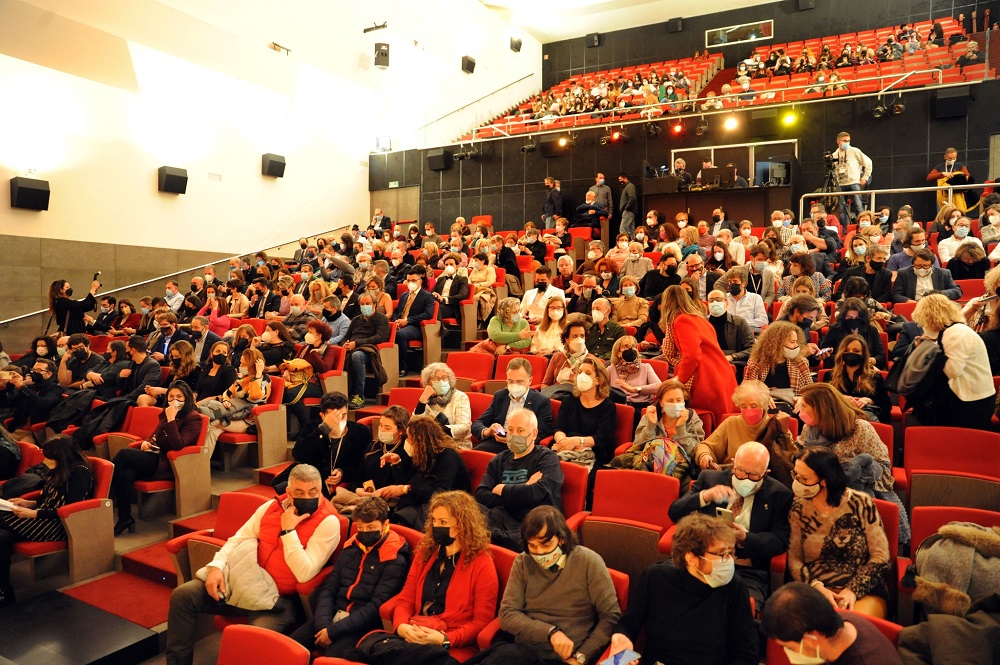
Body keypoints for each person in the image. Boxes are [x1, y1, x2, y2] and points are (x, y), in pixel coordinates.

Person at [165, 464, 341, 665]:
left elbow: (305, 573)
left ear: (321, 491)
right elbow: (239, 538)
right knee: (183, 595)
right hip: (243, 582)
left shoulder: (329, 522)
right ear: (288, 493)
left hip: (278, 601)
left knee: (251, 643)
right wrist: (216, 568)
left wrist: (288, 531)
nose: (307, 497)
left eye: (313, 492)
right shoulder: (270, 507)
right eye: (299, 492)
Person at [607, 513, 759, 665]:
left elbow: (747, 655)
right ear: (691, 558)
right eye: (721, 554)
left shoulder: (734, 586)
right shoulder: (655, 577)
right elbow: (628, 624)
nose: (729, 560)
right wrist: (622, 638)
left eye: (730, 552)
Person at [669, 441, 793, 612]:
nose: (745, 478)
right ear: (734, 463)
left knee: (739, 612)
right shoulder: (709, 479)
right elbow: (674, 512)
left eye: (754, 475)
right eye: (740, 471)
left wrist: (746, 538)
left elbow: (780, 539)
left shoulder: (779, 494)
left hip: (746, 570)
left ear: (766, 473)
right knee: (672, 597)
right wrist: (704, 496)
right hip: (703, 561)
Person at [384, 490, 499, 663]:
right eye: (434, 521)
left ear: (462, 524)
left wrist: (444, 639)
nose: (437, 527)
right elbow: (405, 599)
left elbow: (481, 622)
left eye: (443, 522)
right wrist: (402, 626)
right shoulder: (426, 551)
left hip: (451, 641)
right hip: (415, 631)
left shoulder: (482, 561)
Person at [496, 505, 621, 664]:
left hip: (569, 656)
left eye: (546, 545)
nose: (540, 553)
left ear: (562, 539)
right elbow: (507, 614)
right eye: (532, 546)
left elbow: (610, 616)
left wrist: (581, 656)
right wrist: (550, 632)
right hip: (525, 652)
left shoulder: (588, 561)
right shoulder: (523, 561)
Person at [289, 496, 409, 658]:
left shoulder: (395, 558)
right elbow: (329, 588)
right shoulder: (350, 547)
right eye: (361, 527)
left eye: (371, 527)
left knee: (329, 659)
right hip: (332, 614)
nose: (365, 533)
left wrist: (332, 632)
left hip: (362, 625)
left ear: (385, 525)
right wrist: (323, 625)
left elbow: (376, 606)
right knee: (290, 646)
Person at [788, 448, 890, 618]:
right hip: (815, 588)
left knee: (852, 625)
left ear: (825, 481)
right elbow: (795, 559)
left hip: (861, 589)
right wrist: (817, 587)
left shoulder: (861, 503)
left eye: (804, 479)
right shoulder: (799, 507)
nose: (797, 482)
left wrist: (853, 590)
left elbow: (881, 556)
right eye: (795, 475)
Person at [0, 435, 94, 606]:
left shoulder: (80, 472)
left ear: (61, 456)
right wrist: (30, 503)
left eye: (48, 456)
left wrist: (34, 514)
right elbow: (48, 499)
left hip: (58, 524)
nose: (44, 459)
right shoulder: (57, 469)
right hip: (41, 516)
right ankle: (4, 591)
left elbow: (70, 510)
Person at [111, 381, 203, 535]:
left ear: (186, 398)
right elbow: (156, 434)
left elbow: (178, 445)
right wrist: (147, 442)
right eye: (171, 396)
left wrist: (171, 419)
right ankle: (124, 518)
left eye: (179, 397)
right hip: (154, 455)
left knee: (123, 455)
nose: (175, 400)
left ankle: (102, 493)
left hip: (169, 463)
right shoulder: (167, 413)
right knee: (125, 473)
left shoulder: (193, 418)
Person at [477, 408, 564, 550]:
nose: (514, 435)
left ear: (534, 434)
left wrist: (502, 489)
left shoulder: (547, 458)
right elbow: (481, 494)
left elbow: (539, 493)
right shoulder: (498, 460)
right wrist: (525, 487)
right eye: (510, 430)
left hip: (531, 523)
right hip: (500, 519)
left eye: (520, 431)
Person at [761, 582, 904, 665]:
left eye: (790, 647)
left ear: (812, 639)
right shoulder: (840, 620)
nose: (789, 654)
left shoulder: (865, 660)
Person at [910, 294, 995, 429]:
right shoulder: (954, 330)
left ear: (930, 319)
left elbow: (952, 370)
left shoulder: (955, 333)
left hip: (972, 401)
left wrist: (928, 350)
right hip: (968, 396)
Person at [659, 285, 738, 425]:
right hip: (720, 373)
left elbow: (692, 356)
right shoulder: (700, 319)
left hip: (706, 376)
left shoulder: (682, 320)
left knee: (705, 427)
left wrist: (680, 382)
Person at [795, 383, 893, 496]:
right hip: (814, 488)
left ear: (821, 409)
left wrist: (851, 473)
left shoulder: (860, 428)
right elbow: (799, 455)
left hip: (853, 489)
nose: (800, 411)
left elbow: (883, 469)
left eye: (804, 406)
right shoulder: (809, 428)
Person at [287, 392, 370, 502]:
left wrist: (343, 472)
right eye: (334, 418)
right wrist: (323, 429)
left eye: (343, 416)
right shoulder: (312, 428)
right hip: (314, 480)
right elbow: (299, 455)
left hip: (346, 484)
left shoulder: (361, 432)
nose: (339, 421)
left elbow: (363, 465)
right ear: (323, 416)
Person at [472, 357, 553, 454]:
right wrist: (488, 431)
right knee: (475, 455)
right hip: (497, 443)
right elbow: (477, 424)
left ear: (530, 381)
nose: (514, 385)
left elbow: (541, 435)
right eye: (510, 381)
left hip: (524, 446)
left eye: (519, 382)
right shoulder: (500, 396)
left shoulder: (541, 401)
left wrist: (515, 440)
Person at [201, 348, 271, 454]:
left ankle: (193, 456)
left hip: (250, 420)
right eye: (241, 363)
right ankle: (202, 463)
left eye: (244, 364)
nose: (240, 366)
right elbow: (227, 393)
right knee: (212, 432)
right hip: (233, 414)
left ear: (253, 365)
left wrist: (258, 375)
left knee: (212, 422)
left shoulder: (265, 380)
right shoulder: (241, 378)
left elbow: (255, 396)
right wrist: (225, 400)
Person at [552, 355, 617, 471]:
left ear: (598, 380)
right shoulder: (568, 401)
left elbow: (602, 438)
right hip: (565, 449)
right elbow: (558, 428)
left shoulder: (608, 407)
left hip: (594, 453)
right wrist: (563, 442)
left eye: (588, 373)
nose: (582, 376)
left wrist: (577, 442)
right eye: (580, 372)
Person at [626, 379, 706, 466]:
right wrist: (651, 426)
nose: (675, 404)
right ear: (661, 403)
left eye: (679, 400)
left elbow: (695, 453)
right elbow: (637, 445)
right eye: (670, 401)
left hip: (679, 466)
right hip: (650, 463)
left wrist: (681, 429)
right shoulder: (652, 415)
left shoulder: (692, 419)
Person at [826, 335, 892, 424]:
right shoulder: (829, 376)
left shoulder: (874, 377)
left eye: (856, 351)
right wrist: (841, 398)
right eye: (846, 350)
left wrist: (868, 400)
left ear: (863, 355)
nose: (851, 353)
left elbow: (886, 407)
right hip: (838, 422)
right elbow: (823, 404)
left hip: (866, 422)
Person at [342, 293, 390, 409]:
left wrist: (356, 344)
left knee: (357, 356)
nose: (364, 306)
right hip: (352, 347)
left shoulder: (381, 318)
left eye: (367, 304)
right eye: (362, 304)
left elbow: (379, 337)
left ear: (374, 304)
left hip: (369, 351)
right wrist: (345, 344)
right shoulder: (356, 320)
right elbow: (346, 336)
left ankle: (359, 396)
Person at [744, 321, 814, 397]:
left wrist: (801, 399)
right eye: (792, 342)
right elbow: (747, 391)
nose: (796, 345)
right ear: (777, 344)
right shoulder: (756, 363)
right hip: (765, 405)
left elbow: (810, 391)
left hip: (793, 406)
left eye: (796, 341)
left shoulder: (801, 362)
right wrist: (763, 397)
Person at [413, 363, 472, 448]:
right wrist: (422, 400)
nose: (441, 381)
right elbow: (415, 424)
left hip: (456, 444)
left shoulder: (460, 397)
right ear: (428, 383)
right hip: (431, 443)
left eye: (444, 378)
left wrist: (435, 431)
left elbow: (464, 427)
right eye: (436, 379)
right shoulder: (427, 398)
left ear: (449, 379)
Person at [392, 268, 436, 377]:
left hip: (416, 326)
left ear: (420, 281)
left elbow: (427, 314)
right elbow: (397, 311)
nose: (410, 283)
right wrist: (395, 322)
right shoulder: (404, 295)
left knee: (400, 334)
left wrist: (407, 321)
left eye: (414, 280)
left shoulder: (427, 296)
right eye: (408, 280)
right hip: (400, 323)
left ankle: (403, 367)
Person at [821, 298, 886, 369]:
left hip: (865, 369)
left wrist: (867, 361)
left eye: (857, 317)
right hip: (840, 369)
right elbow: (825, 353)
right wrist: (843, 360)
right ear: (844, 317)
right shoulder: (835, 328)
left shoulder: (871, 329)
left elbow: (881, 357)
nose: (854, 320)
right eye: (850, 317)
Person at [607, 335, 660, 412]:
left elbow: (659, 387)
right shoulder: (612, 369)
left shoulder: (645, 367)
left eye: (633, 346)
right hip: (618, 407)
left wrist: (635, 389)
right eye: (626, 346)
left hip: (640, 406)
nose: (630, 349)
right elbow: (599, 385)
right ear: (618, 353)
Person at [706, 290, 755, 367]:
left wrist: (732, 357)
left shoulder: (739, 322)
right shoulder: (703, 324)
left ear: (727, 303)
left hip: (733, 363)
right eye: (711, 300)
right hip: (708, 362)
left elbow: (752, 349)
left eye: (718, 299)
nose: (714, 303)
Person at [892, 248, 962, 302]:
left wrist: (939, 294)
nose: (922, 268)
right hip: (914, 305)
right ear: (913, 264)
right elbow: (896, 295)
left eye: (926, 266)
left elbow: (957, 291)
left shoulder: (943, 273)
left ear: (932, 265)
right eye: (918, 265)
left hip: (937, 304)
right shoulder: (903, 273)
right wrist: (907, 301)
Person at [833, 131, 873, 225]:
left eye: (848, 141)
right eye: (844, 141)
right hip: (841, 183)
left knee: (859, 206)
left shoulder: (854, 151)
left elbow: (868, 162)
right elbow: (833, 170)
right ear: (838, 142)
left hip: (853, 182)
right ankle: (844, 230)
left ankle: (862, 227)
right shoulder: (834, 155)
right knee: (842, 209)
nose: (847, 143)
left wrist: (865, 177)